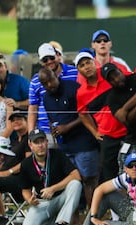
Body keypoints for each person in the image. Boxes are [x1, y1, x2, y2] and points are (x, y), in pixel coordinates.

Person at [38, 68, 100, 208]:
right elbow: (50, 118)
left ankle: (92, 215)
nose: (49, 85)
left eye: (51, 80)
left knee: (89, 179)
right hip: (64, 146)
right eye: (44, 83)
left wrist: (67, 127)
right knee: (70, 183)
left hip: (84, 143)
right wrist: (54, 131)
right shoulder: (46, 97)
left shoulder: (73, 88)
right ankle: (73, 219)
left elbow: (87, 112)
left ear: (56, 75)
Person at [101, 62, 136, 182]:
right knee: (125, 177)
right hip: (133, 138)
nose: (116, 79)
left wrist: (125, 108)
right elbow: (125, 119)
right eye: (111, 79)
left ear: (121, 71)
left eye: (116, 74)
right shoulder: (112, 97)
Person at [75, 52, 127, 181]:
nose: (86, 67)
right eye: (82, 65)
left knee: (132, 167)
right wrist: (94, 132)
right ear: (78, 70)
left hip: (127, 131)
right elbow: (82, 114)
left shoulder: (108, 76)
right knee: (109, 173)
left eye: (88, 62)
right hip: (107, 136)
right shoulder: (81, 93)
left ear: (94, 62)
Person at [19, 129, 82, 225]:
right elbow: (25, 190)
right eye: (36, 142)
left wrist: (53, 189)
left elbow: (76, 175)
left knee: (76, 184)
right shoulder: (25, 164)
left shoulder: (58, 154)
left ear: (47, 142)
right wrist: (29, 200)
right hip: (41, 203)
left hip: (61, 197)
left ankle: (62, 222)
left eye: (42, 141)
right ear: (30, 145)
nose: (40, 145)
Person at [86, 152, 136, 225]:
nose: (134, 169)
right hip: (134, 215)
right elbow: (100, 189)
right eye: (130, 165)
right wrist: (93, 217)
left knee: (104, 223)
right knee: (106, 195)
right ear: (125, 169)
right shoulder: (126, 177)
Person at [28, 43, 77, 147]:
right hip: (45, 130)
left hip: (74, 127)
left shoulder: (74, 72)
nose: (49, 61)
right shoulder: (36, 80)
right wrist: (31, 134)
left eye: (51, 57)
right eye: (45, 59)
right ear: (41, 62)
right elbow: (33, 108)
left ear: (57, 55)